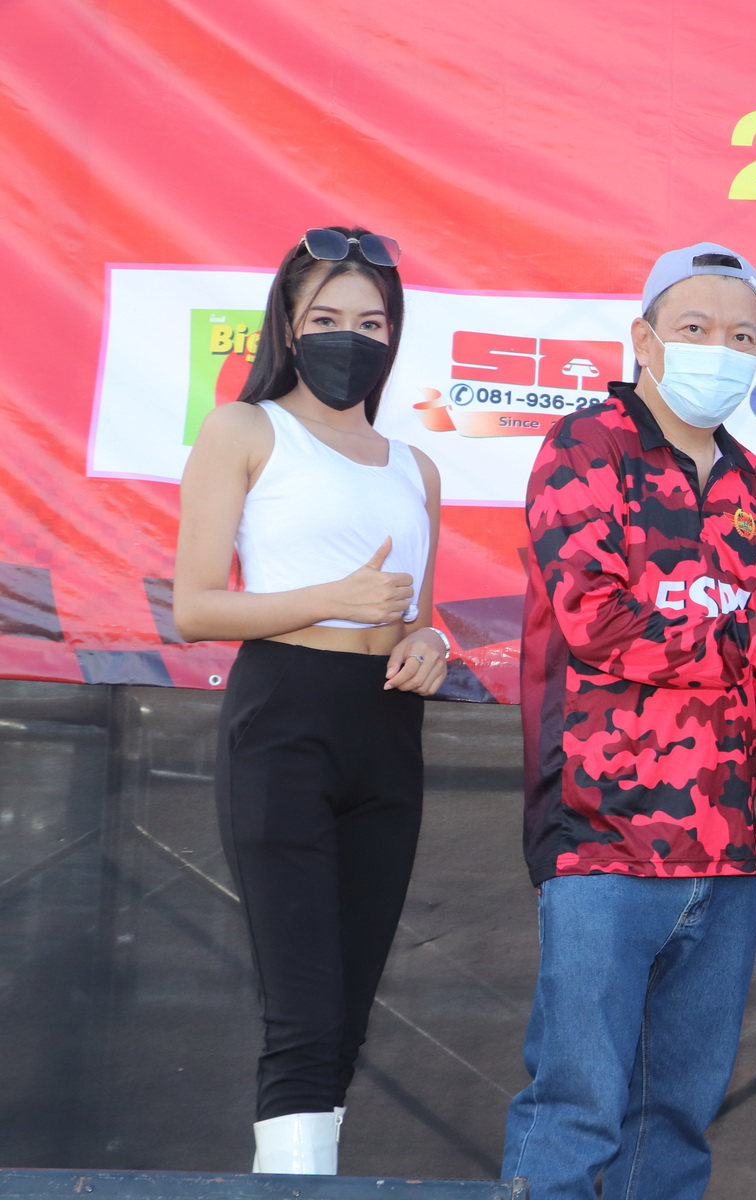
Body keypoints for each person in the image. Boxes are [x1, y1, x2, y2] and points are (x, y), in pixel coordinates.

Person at [504, 242, 756, 1200]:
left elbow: (752, 674)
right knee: (577, 1109)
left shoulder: (749, 481)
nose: (720, 350)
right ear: (644, 339)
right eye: (695, 328)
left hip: (724, 851)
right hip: (603, 841)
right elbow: (596, 625)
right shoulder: (587, 445)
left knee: (676, 1125)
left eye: (742, 336)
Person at [173, 226, 448, 1174]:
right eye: (327, 318)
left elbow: (418, 617)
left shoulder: (416, 466)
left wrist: (429, 644)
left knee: (347, 1013)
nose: (349, 338)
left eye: (370, 323)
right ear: (289, 326)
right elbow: (194, 607)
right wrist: (331, 598)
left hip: (387, 729)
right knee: (301, 1006)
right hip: (285, 716)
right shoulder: (245, 430)